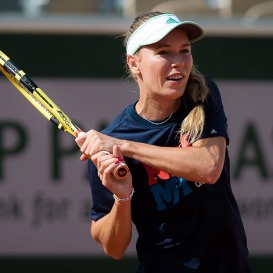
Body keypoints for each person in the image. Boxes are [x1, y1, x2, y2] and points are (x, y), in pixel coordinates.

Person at [75, 11, 251, 273]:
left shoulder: (203, 94)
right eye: (164, 52)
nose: (178, 62)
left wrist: (124, 146)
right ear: (134, 63)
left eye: (185, 50)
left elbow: (209, 167)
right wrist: (123, 197)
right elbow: (113, 247)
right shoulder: (111, 141)